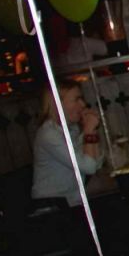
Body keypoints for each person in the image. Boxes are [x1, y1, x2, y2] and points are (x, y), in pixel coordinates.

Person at [31, 79, 103, 207]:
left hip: (72, 202)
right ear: (58, 104)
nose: (83, 104)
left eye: (82, 99)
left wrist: (92, 130)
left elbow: (96, 163)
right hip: (51, 206)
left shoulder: (72, 129)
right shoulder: (49, 134)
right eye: (76, 99)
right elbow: (89, 167)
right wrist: (89, 130)